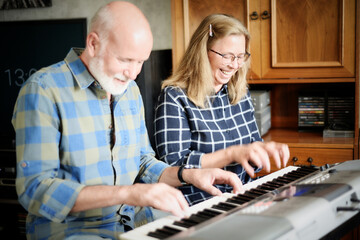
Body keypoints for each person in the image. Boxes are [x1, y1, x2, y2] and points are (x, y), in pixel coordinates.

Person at [11, 3, 243, 239]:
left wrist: (189, 175)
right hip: (73, 231)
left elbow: (142, 160)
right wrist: (128, 193)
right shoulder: (43, 90)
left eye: (141, 62)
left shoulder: (129, 90)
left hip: (134, 221)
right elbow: (34, 190)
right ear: (93, 44)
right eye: (125, 60)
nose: (134, 74)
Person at [153, 14, 290, 206]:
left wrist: (262, 151)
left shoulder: (240, 93)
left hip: (243, 196)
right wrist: (232, 153)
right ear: (203, 51)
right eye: (227, 56)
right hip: (199, 204)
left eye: (240, 56)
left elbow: (252, 153)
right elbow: (173, 166)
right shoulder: (175, 97)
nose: (234, 65)